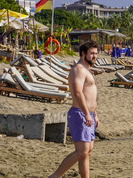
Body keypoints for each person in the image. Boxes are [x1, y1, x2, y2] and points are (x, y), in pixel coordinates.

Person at [49, 41, 100, 178]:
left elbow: (90, 95)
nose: (94, 56)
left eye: (95, 53)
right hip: (79, 114)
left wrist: (94, 114)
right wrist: (86, 114)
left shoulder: (87, 70)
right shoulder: (78, 69)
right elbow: (77, 92)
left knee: (87, 152)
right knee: (81, 151)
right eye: (91, 53)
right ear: (83, 54)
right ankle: (55, 176)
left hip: (88, 114)